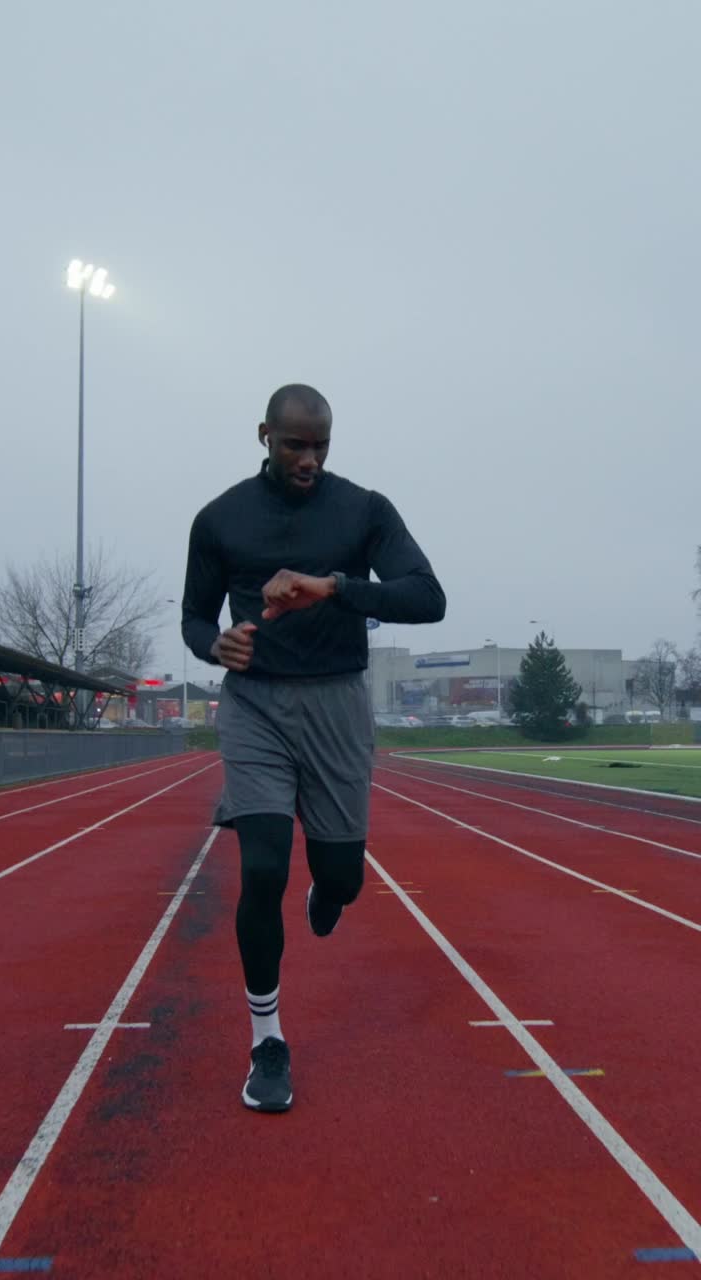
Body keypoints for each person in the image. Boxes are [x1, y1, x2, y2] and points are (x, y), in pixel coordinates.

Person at [182, 384, 445, 1112]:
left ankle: (330, 888)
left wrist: (334, 588)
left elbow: (428, 596)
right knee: (261, 866)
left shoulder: (363, 509)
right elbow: (194, 615)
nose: (309, 459)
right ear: (264, 435)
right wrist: (215, 643)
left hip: (337, 702)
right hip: (256, 704)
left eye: (321, 445)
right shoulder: (221, 518)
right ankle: (267, 1040)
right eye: (295, 444)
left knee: (343, 879)